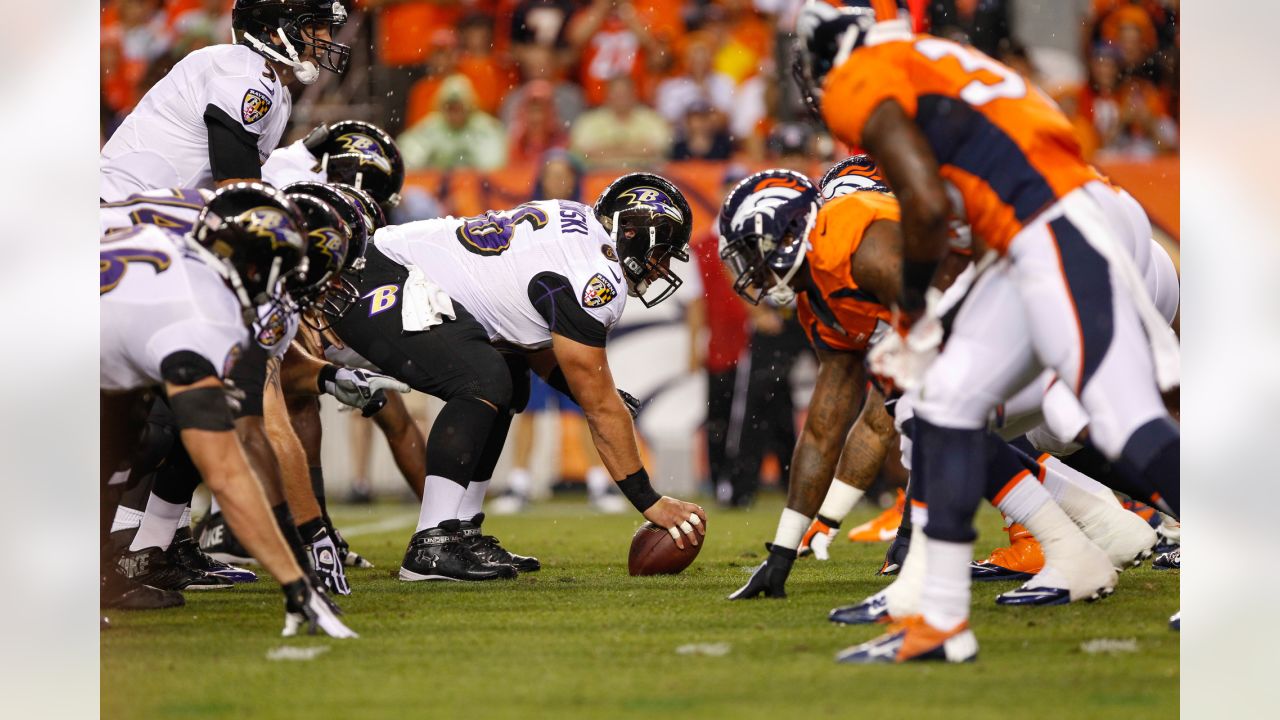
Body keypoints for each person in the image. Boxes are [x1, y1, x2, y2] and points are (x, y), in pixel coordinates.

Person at [794, 0, 1180, 659]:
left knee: (1117, 416)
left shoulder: (868, 77)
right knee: (944, 401)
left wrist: (913, 311)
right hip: (1031, 226)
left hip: (1051, 221)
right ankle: (941, 621)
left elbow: (920, 198)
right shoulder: (938, 58)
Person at [328, 173, 708, 582]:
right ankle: (432, 543)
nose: (663, 266)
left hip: (393, 271)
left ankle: (462, 530)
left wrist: (596, 393)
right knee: (483, 380)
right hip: (381, 276)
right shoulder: (596, 276)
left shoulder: (580, 228)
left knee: (507, 376)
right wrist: (648, 500)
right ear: (633, 234)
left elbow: (532, 342)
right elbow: (600, 408)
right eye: (663, 252)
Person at [100, 182, 355, 637]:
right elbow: (229, 469)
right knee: (137, 434)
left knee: (119, 430)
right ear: (253, 265)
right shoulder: (203, 318)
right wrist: (297, 580)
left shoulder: (171, 238)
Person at [101, 0, 351, 201]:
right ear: (276, 33)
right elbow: (238, 193)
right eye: (315, 28)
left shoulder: (275, 89)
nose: (327, 40)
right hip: (118, 208)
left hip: (149, 211)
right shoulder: (244, 75)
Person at [398, 75, 509, 171]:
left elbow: (494, 164)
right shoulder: (430, 128)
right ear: (441, 107)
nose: (455, 113)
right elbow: (409, 161)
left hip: (476, 190)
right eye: (450, 107)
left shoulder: (484, 128)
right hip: (438, 190)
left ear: (469, 105)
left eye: (459, 106)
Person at [569, 76, 672, 168]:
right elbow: (585, 151)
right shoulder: (589, 121)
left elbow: (659, 147)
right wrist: (636, 150)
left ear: (634, 94)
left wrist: (609, 150)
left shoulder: (652, 119)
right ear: (606, 95)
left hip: (645, 179)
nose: (621, 98)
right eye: (616, 94)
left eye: (624, 93)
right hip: (598, 179)